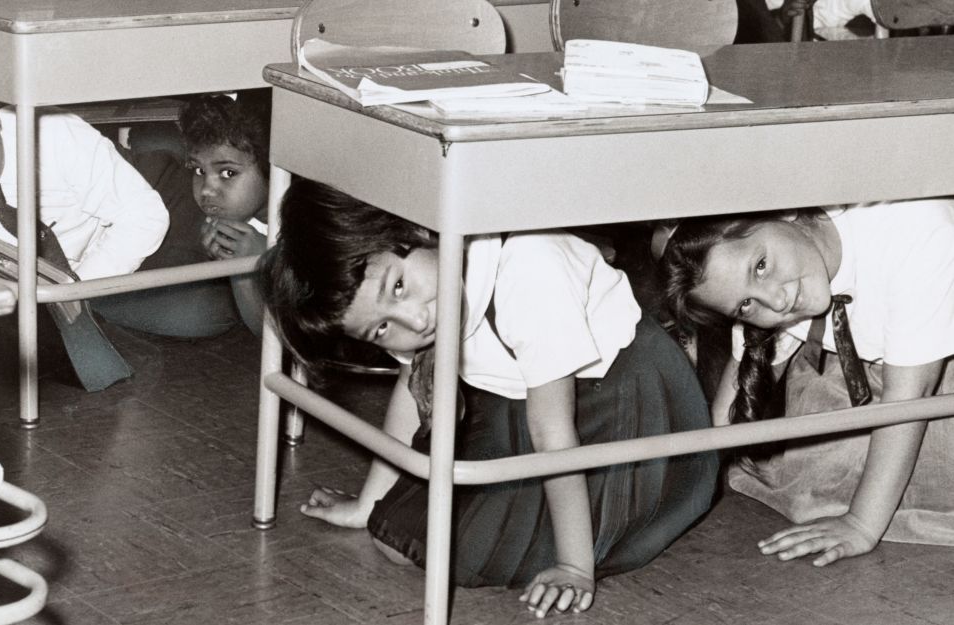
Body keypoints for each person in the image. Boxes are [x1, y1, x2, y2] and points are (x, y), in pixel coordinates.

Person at [258, 179, 718, 618]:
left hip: (621, 406)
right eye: (380, 328)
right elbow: (411, 390)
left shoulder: (528, 265)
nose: (414, 322)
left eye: (398, 287)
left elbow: (553, 431)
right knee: (394, 533)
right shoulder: (412, 302)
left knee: (454, 545)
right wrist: (368, 503)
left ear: (416, 228)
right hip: (522, 405)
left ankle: (576, 533)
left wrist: (575, 566)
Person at [655, 198, 954, 567]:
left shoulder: (913, 228)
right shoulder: (775, 276)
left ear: (785, 210)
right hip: (882, 378)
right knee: (800, 465)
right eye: (745, 305)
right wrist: (683, 484)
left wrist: (861, 524)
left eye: (761, 266)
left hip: (928, 386)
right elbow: (729, 405)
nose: (776, 301)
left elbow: (911, 398)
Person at [0, 76, 169, 391]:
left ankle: (161, 143)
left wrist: (76, 290)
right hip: (38, 287)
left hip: (129, 212)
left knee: (197, 313)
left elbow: (143, 215)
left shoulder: (52, 131)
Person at [99, 90, 272, 337]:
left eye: (228, 173)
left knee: (203, 314)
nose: (208, 190)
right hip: (158, 210)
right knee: (155, 141)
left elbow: (273, 340)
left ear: (272, 168)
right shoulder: (179, 183)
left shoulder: (300, 221)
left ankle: (79, 297)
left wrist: (244, 269)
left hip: (182, 264)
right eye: (199, 171)